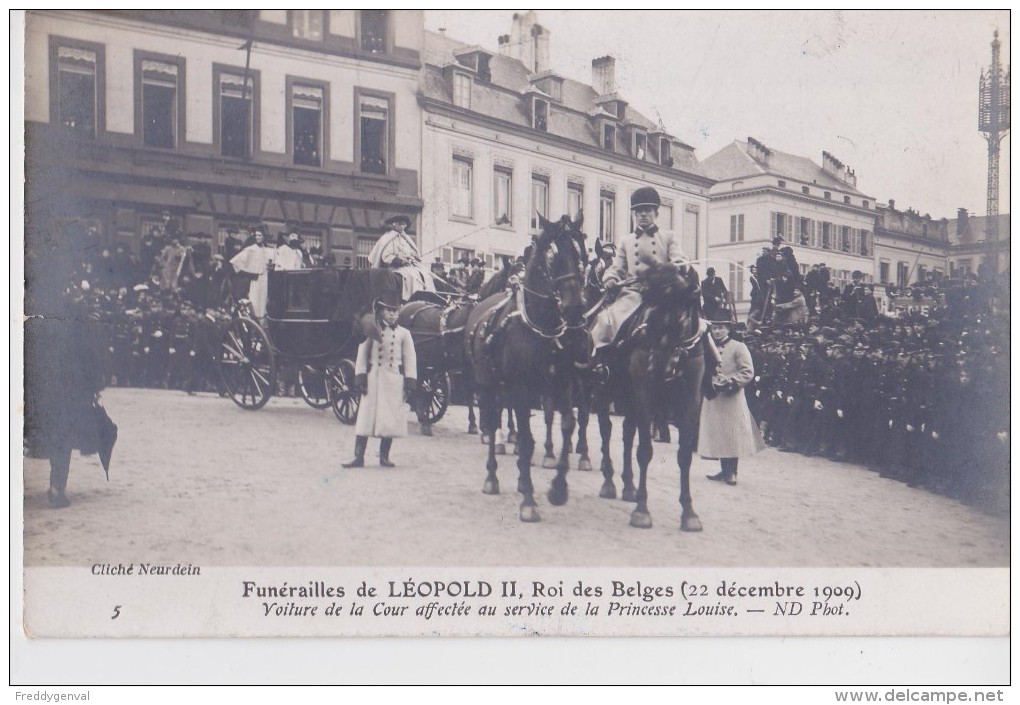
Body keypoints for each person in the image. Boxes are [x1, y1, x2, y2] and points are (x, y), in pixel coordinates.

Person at [591, 187, 689, 359]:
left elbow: (679, 260)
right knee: (606, 322)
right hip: (633, 294)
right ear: (634, 215)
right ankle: (602, 362)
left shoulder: (668, 237)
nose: (643, 215)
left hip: (661, 293)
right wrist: (610, 278)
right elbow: (617, 267)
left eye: (648, 210)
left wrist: (673, 268)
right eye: (639, 211)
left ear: (656, 214)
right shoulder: (626, 241)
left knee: (693, 324)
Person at [342, 291, 418, 468]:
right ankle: (358, 456)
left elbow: (410, 358)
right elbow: (362, 354)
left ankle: (384, 456)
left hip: (394, 381)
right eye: (389, 311)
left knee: (389, 419)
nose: (392, 314)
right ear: (382, 312)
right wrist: (361, 378)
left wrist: (410, 382)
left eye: (395, 311)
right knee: (366, 417)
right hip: (374, 379)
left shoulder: (404, 334)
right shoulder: (372, 329)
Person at [698, 314, 766, 485]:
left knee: (732, 434)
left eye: (721, 328)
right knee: (719, 433)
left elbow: (747, 371)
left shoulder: (738, 347)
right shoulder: (707, 347)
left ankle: (732, 472)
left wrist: (732, 382)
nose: (718, 331)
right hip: (714, 395)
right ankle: (724, 470)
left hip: (731, 396)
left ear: (728, 329)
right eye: (714, 328)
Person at [367, 215, 435, 301]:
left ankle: (428, 298)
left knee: (426, 274)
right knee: (412, 277)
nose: (402, 226)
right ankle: (411, 299)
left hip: (408, 266)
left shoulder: (405, 238)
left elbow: (412, 251)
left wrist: (413, 257)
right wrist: (400, 261)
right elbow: (386, 256)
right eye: (399, 224)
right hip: (395, 267)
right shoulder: (388, 238)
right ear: (394, 225)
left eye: (404, 224)